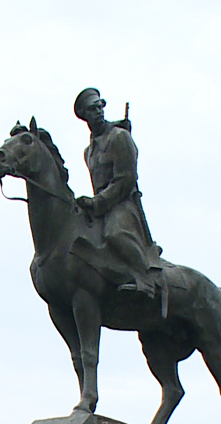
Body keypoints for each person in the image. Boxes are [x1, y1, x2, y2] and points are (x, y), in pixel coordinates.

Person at [73, 87, 164, 302]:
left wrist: (99, 202)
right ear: (85, 115)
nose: (99, 112)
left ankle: (146, 280)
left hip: (121, 203)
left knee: (115, 234)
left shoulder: (119, 137)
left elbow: (126, 179)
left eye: (100, 106)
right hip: (100, 206)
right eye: (93, 109)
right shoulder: (89, 151)